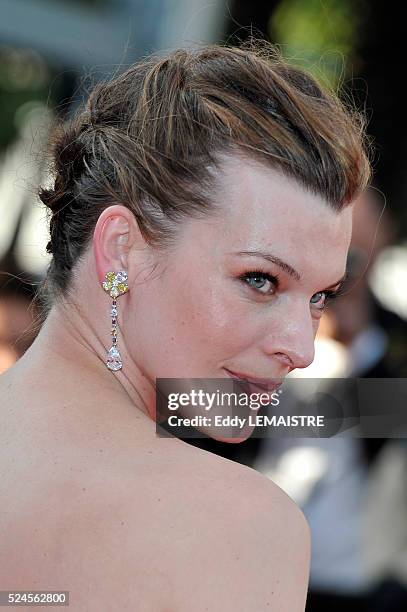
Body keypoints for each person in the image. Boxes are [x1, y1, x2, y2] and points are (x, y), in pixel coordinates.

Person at [0, 41, 371, 610]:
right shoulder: (241, 525)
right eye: (261, 280)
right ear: (121, 250)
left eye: (320, 296)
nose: (302, 348)